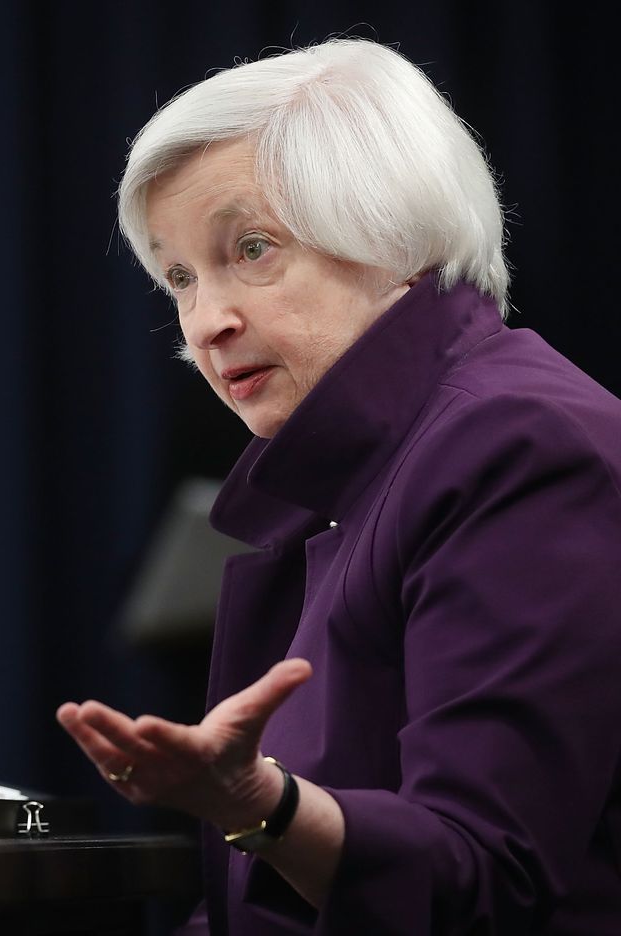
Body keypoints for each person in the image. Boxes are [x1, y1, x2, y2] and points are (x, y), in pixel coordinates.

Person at [57, 38, 621, 935]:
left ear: (393, 236)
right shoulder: (355, 470)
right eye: (180, 277)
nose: (207, 321)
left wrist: (263, 806)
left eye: (251, 248)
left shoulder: (518, 446)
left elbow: (491, 880)